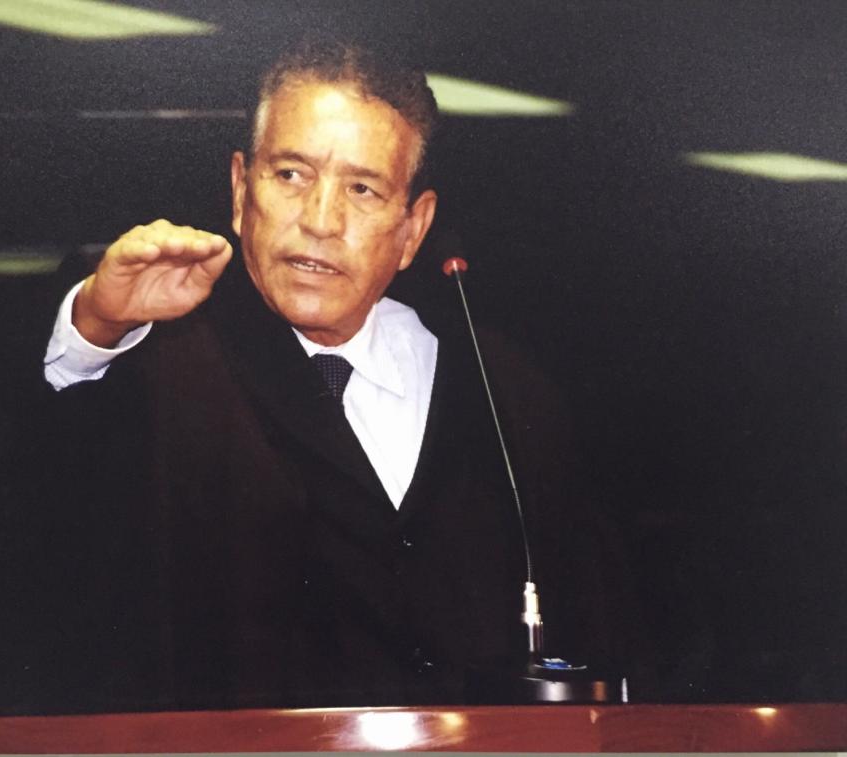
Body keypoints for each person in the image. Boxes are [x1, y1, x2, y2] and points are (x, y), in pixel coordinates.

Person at [34, 38, 635, 712]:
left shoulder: (505, 391)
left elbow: (600, 629)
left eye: (362, 188)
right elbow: (17, 483)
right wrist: (95, 325)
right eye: (291, 174)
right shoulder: (152, 358)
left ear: (413, 229)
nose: (321, 220)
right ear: (241, 190)